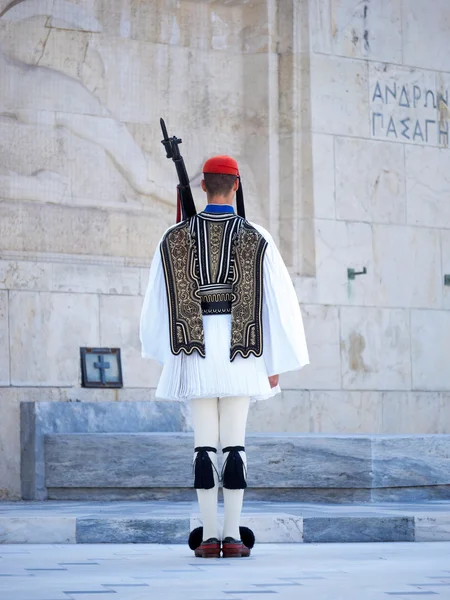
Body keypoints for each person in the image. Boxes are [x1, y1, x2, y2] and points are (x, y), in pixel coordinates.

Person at [140, 155, 309, 558]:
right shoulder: (257, 236)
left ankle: (208, 535)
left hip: (194, 351)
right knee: (234, 444)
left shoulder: (174, 236)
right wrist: (275, 364)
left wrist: (168, 357)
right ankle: (232, 536)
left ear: (203, 187)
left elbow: (156, 304)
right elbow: (279, 305)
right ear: (236, 187)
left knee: (203, 445)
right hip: (242, 351)